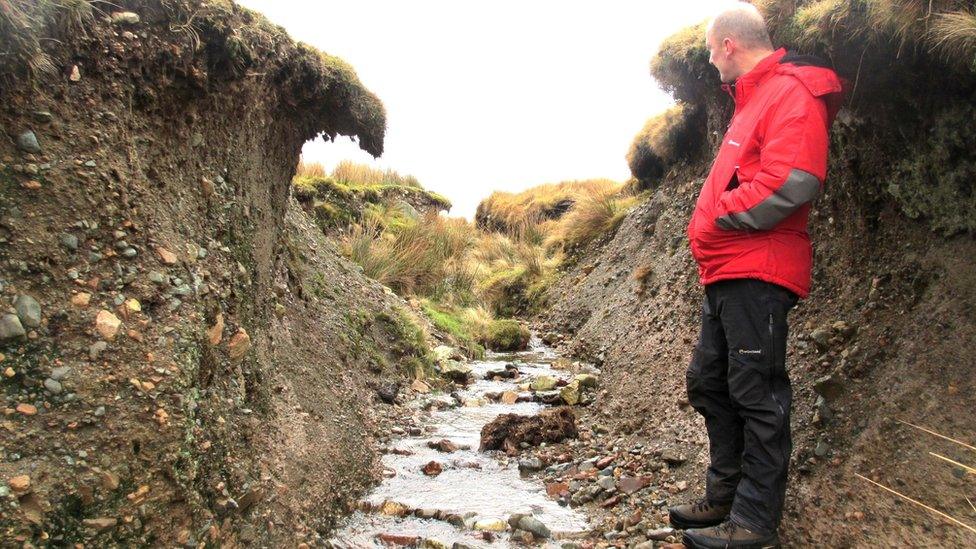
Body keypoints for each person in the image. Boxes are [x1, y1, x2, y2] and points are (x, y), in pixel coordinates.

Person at [669, 3, 843, 548]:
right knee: (710, 383)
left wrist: (719, 214)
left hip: (756, 270)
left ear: (728, 45)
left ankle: (753, 525)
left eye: (707, 49)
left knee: (756, 394)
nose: (707, 59)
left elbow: (793, 179)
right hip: (727, 272)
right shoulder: (754, 98)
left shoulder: (790, 89)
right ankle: (724, 495)